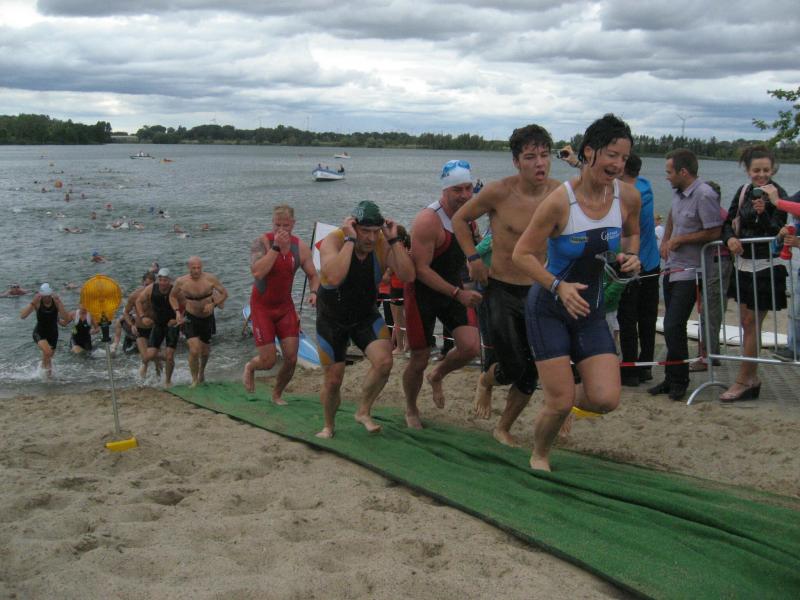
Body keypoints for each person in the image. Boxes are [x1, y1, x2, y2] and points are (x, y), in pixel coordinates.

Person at [512, 114, 641, 472]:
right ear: (589, 152)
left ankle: (563, 402)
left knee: (606, 399)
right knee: (558, 401)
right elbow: (521, 254)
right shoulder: (560, 202)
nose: (618, 164)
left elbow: (632, 234)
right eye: (612, 155)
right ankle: (540, 453)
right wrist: (558, 285)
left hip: (590, 310)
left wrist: (630, 256)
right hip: (549, 307)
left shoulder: (627, 197)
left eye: (624, 157)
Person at [452, 125, 561, 445]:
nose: (540, 163)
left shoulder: (560, 194)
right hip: (501, 288)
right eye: (531, 157)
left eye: (545, 155)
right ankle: (486, 381)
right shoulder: (499, 192)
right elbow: (459, 219)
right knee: (512, 366)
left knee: (532, 372)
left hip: (539, 291)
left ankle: (503, 427)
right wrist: (473, 257)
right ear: (516, 161)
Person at [315, 201, 415, 438]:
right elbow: (334, 277)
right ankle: (329, 425)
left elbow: (408, 275)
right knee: (333, 380)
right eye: (365, 231)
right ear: (353, 226)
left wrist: (393, 240)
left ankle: (363, 411)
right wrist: (350, 240)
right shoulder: (334, 241)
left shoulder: (382, 243)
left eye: (375, 231)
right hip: (332, 319)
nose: (371, 238)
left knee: (384, 362)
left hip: (364, 316)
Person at [402, 160, 483, 429]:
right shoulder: (428, 220)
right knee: (419, 358)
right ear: (445, 190)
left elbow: (468, 254)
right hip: (422, 293)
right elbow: (421, 269)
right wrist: (458, 293)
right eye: (457, 190)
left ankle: (438, 374)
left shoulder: (468, 218)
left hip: (452, 288)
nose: (464, 195)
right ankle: (411, 407)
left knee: (471, 347)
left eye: (468, 188)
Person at [650, 149, 724, 401]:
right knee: (672, 326)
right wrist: (666, 239)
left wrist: (682, 239)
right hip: (673, 267)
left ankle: (680, 381)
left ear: (683, 172)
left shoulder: (705, 194)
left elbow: (714, 231)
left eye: (669, 172)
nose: (667, 177)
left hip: (693, 271)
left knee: (673, 324)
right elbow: (672, 215)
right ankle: (671, 378)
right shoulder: (678, 193)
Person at [718, 146, 788, 401]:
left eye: (766, 170)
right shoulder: (743, 191)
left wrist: (765, 211)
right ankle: (751, 378)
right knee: (746, 322)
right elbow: (727, 223)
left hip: (767, 265)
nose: (761, 175)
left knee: (752, 323)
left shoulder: (779, 194)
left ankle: (744, 380)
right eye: (756, 170)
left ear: (773, 170)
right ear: (748, 170)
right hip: (743, 264)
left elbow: (779, 231)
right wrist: (729, 239)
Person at [243, 205, 320, 402]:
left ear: (293, 224)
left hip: (285, 307)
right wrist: (276, 247)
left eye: (286, 225)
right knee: (268, 361)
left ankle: (277, 393)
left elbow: (313, 275)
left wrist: (314, 292)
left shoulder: (300, 247)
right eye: (277, 225)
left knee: (291, 358)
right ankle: (250, 366)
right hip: (262, 307)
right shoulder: (262, 243)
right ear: (272, 223)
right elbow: (258, 272)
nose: (281, 230)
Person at [617, 154, 661, 385]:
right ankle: (646, 367)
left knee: (628, 319)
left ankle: (630, 370)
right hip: (652, 262)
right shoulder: (646, 185)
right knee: (647, 319)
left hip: (632, 264)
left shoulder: (627, 196)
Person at [170, 257, 229, 388]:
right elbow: (172, 296)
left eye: (199, 268)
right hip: (191, 317)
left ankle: (201, 372)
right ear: (189, 268)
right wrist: (177, 312)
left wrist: (213, 304)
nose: (196, 271)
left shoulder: (210, 279)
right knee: (194, 350)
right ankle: (194, 379)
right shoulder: (181, 281)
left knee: (205, 352)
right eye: (194, 268)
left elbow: (224, 294)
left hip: (207, 318)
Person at [763, 188, 800, 361]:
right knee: (795, 314)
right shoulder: (795, 225)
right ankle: (794, 348)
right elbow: (773, 250)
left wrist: (777, 202)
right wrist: (780, 236)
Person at [137, 268, 179, 385]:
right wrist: (142, 317)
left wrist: (177, 319)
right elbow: (138, 301)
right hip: (158, 324)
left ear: (170, 280)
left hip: (172, 325)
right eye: (160, 280)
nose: (162, 283)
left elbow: (186, 305)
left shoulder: (175, 290)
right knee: (149, 355)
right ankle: (148, 366)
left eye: (165, 280)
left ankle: (168, 381)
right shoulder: (151, 288)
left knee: (169, 356)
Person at [19, 283, 70, 376]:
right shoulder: (37, 302)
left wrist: (60, 303)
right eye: (44, 296)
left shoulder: (56, 302)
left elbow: (66, 318)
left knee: (48, 357)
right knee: (48, 352)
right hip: (39, 332)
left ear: (50, 294)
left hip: (53, 334)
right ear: (41, 295)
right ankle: (46, 377)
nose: (46, 298)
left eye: (48, 296)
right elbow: (23, 316)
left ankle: (42, 376)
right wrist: (32, 303)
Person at [112, 271, 156, 357]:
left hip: (153, 328)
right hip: (139, 328)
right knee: (130, 355)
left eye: (151, 285)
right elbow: (126, 312)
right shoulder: (135, 295)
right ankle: (117, 344)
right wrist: (132, 325)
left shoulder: (159, 294)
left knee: (153, 355)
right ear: (142, 283)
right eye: (146, 285)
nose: (148, 288)